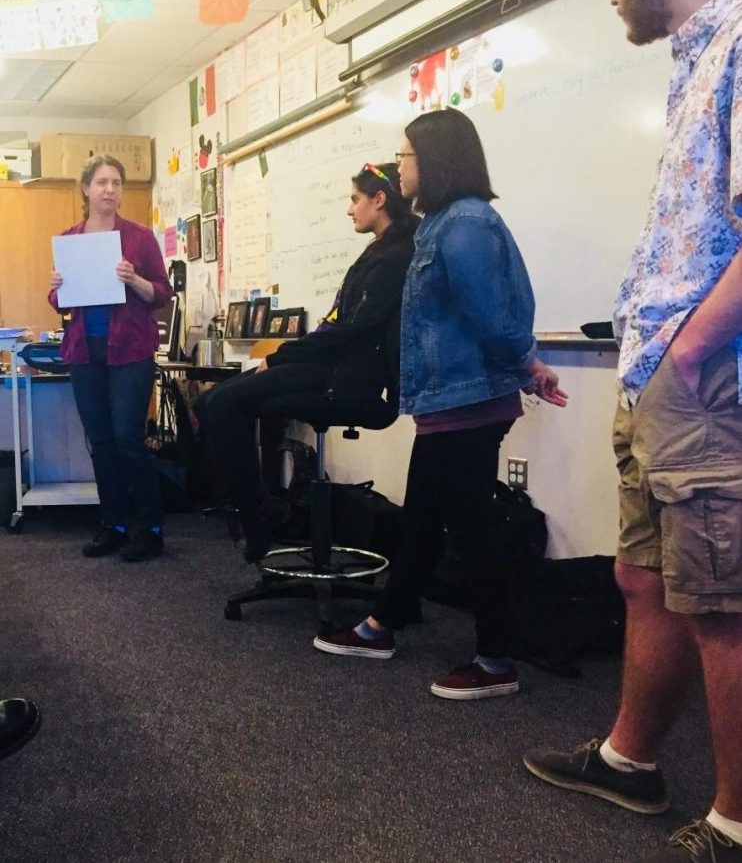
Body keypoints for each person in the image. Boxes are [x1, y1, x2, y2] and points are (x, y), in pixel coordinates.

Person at [523, 0, 742, 861]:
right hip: (662, 373)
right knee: (645, 578)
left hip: (705, 380)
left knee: (723, 601)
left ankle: (735, 824)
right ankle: (629, 759)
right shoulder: (699, 54)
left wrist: (690, 356)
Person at [313, 109, 567, 700]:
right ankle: (384, 624)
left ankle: (496, 658)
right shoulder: (439, 224)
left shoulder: (467, 226)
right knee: (422, 521)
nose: (397, 167)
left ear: (435, 160)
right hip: (447, 400)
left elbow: (493, 316)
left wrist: (528, 365)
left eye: (404, 156)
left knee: (470, 532)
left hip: (470, 400)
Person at [197, 162, 419, 562]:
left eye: (355, 200)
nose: (350, 210)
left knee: (222, 403)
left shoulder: (394, 258)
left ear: (380, 200)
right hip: (333, 364)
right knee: (207, 403)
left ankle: (262, 512)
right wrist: (284, 358)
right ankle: (257, 507)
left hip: (350, 377)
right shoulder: (379, 251)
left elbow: (353, 332)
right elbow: (340, 326)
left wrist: (281, 357)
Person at [49, 155, 174, 562]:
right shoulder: (70, 238)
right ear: (85, 189)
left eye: (116, 183)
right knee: (101, 442)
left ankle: (150, 528)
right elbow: (59, 302)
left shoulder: (139, 238)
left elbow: (162, 292)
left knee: (127, 439)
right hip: (85, 352)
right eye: (101, 182)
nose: (109, 190)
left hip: (130, 352)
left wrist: (133, 279)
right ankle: (114, 524)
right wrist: (56, 288)